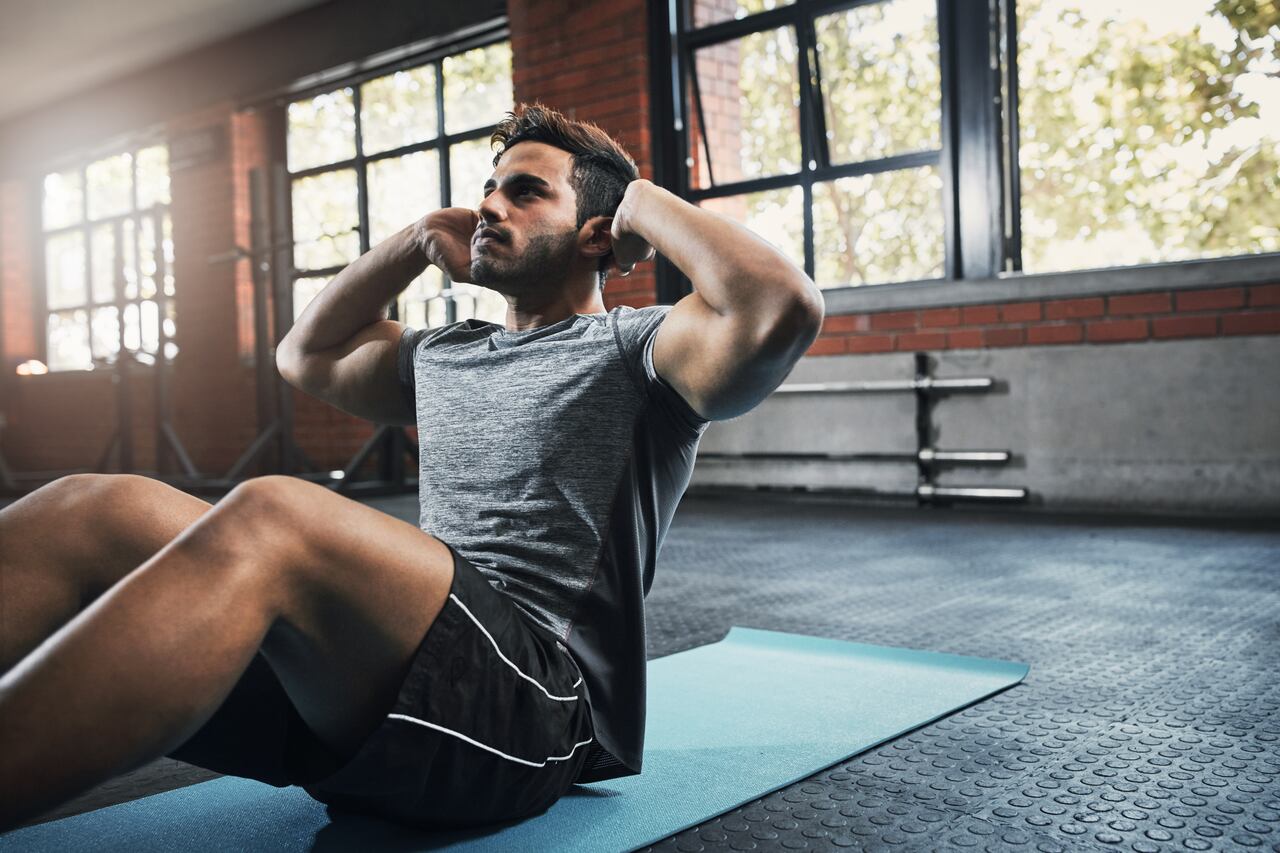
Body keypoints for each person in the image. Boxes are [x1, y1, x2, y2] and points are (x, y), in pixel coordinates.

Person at [0, 102, 823, 832]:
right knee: (89, 508)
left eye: (526, 192)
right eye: (490, 188)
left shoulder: (639, 349)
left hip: (533, 705)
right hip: (391, 689)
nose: (490, 205)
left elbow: (780, 304)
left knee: (274, 516)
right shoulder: (444, 352)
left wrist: (635, 197)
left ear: (595, 234)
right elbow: (303, 353)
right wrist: (414, 241)